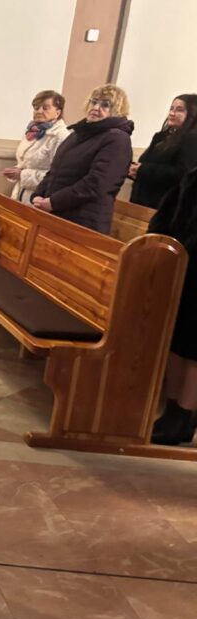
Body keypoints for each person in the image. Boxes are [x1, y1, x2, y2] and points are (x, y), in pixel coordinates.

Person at [32, 84, 133, 234]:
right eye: (94, 102)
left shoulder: (117, 139)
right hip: (57, 213)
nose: (96, 108)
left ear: (117, 109)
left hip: (83, 220)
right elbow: (55, 170)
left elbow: (97, 183)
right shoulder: (77, 134)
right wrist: (38, 195)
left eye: (105, 105)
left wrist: (54, 202)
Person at [148, 166, 197, 445]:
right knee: (177, 341)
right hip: (184, 264)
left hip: (192, 261)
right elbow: (171, 209)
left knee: (193, 348)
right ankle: (173, 409)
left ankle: (184, 414)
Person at [129, 94, 197, 209]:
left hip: (164, 204)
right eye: (171, 108)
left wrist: (143, 170)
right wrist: (134, 169)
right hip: (142, 200)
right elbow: (146, 162)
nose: (172, 113)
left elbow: (183, 174)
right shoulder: (161, 136)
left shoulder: (192, 139)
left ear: (193, 114)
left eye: (179, 110)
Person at [3, 90, 70, 203]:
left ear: (57, 112)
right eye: (36, 107)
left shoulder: (60, 136)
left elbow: (57, 176)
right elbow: (26, 163)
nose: (39, 111)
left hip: (40, 199)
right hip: (21, 194)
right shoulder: (33, 131)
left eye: (45, 108)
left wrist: (22, 175)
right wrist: (15, 171)